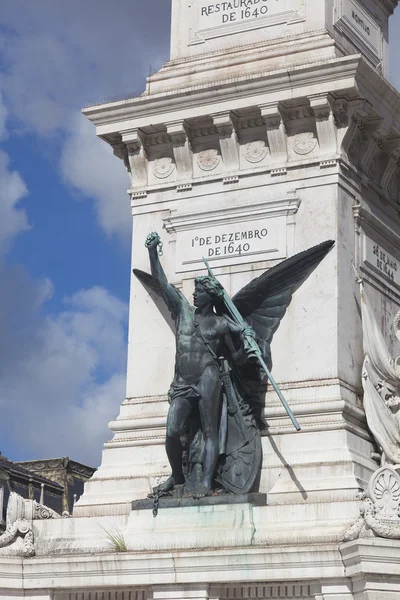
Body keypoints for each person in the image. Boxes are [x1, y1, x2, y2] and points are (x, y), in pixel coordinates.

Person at [145, 232, 255, 497]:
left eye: (199, 292)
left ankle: (206, 482)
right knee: (172, 430)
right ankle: (177, 476)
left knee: (209, 431)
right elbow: (162, 284)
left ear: (210, 296)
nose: (194, 295)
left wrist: (247, 344)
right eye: (194, 292)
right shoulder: (183, 312)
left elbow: (236, 359)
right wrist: (152, 252)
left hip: (208, 377)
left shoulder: (223, 324)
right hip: (182, 381)